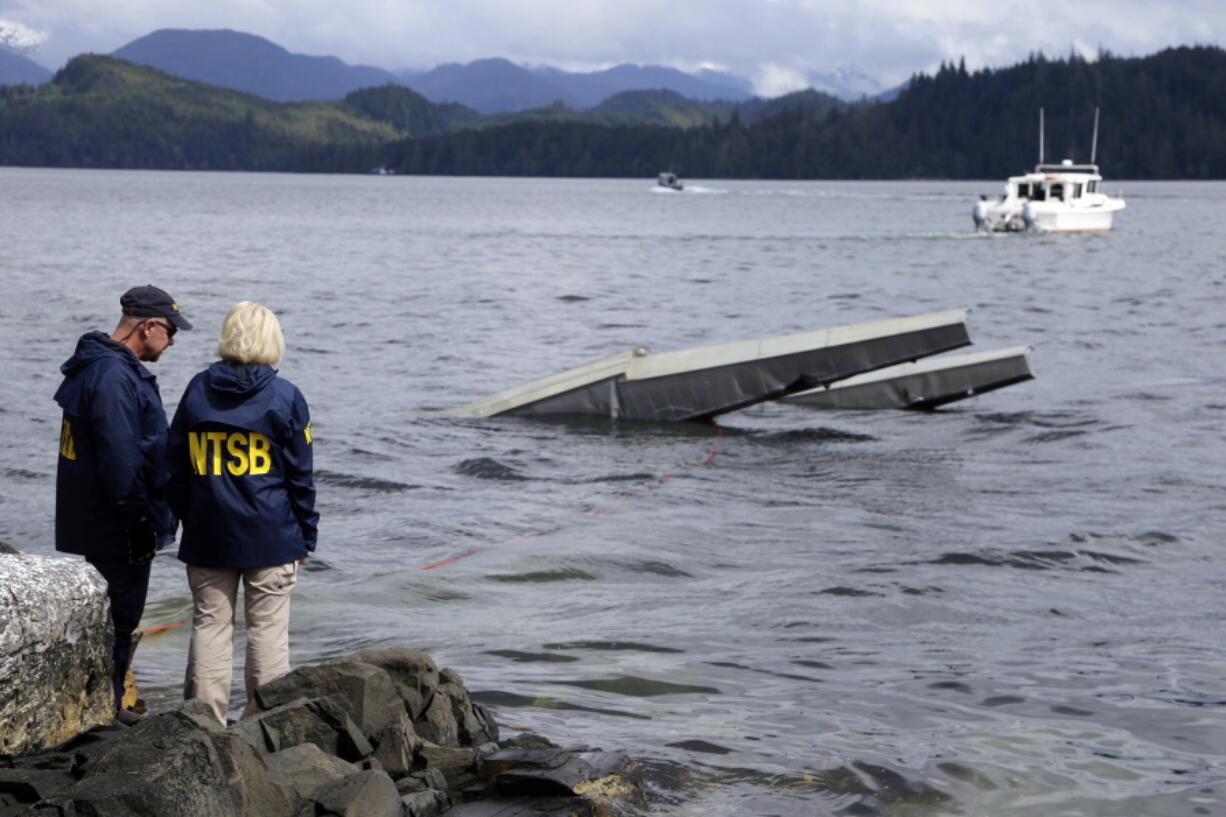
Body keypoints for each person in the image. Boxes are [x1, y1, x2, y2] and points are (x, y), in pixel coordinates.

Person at [166, 301, 318, 725]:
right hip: (271, 533)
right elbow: (300, 476)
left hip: (208, 532)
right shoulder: (286, 396)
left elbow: (172, 465)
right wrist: (307, 534)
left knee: (210, 626)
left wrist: (185, 517)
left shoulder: (197, 389)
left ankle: (202, 723)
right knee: (268, 632)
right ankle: (263, 726)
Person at [54, 284, 193, 724]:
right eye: (170, 331)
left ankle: (104, 705)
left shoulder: (99, 367)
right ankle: (105, 712)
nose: (172, 341)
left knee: (111, 617)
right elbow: (120, 455)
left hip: (99, 516)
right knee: (118, 619)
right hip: (116, 521)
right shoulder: (113, 375)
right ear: (147, 325)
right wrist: (137, 520)